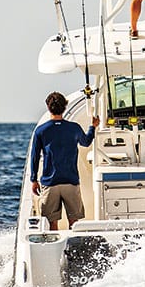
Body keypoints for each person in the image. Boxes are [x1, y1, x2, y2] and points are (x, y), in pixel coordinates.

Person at [30, 91, 99, 229]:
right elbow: (86, 142)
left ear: (48, 107)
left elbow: (35, 157)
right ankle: (73, 249)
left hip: (50, 183)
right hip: (70, 181)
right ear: (65, 107)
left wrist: (34, 180)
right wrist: (93, 127)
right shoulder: (73, 128)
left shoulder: (41, 131)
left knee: (52, 223)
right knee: (74, 223)